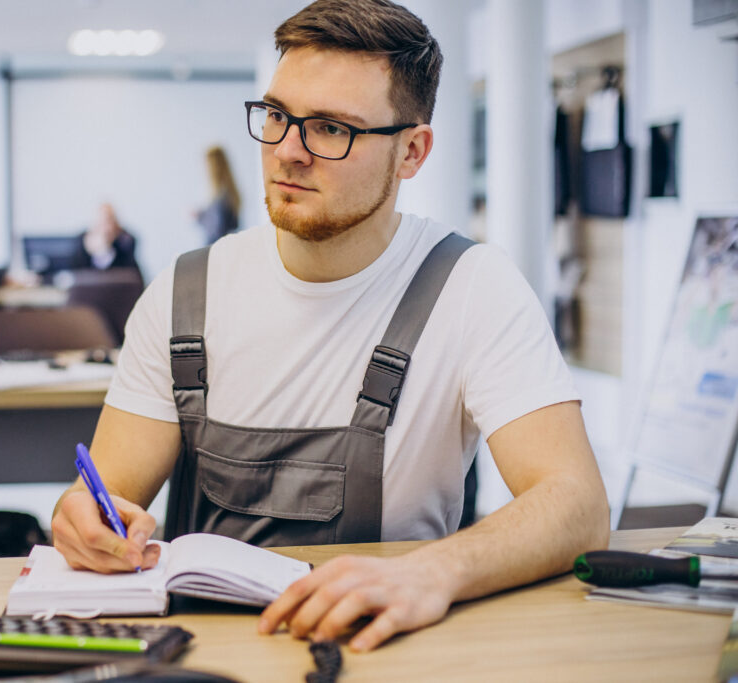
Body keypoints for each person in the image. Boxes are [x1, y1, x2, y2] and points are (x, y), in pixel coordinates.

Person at [51, 0, 609, 654]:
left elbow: (576, 504)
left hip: (384, 651)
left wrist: (435, 569)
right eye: (279, 116)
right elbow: (106, 496)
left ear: (412, 152)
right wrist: (84, 521)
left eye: (330, 128)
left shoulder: (472, 288)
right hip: (198, 657)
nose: (288, 151)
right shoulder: (185, 292)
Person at [69, 202, 138, 270]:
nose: (104, 228)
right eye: (101, 222)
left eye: (108, 222)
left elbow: (128, 271)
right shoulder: (82, 241)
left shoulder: (125, 242)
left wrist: (107, 247)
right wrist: (89, 250)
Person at [195, 145, 241, 244]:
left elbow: (216, 230)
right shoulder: (229, 193)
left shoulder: (221, 197)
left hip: (216, 250)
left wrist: (200, 218)